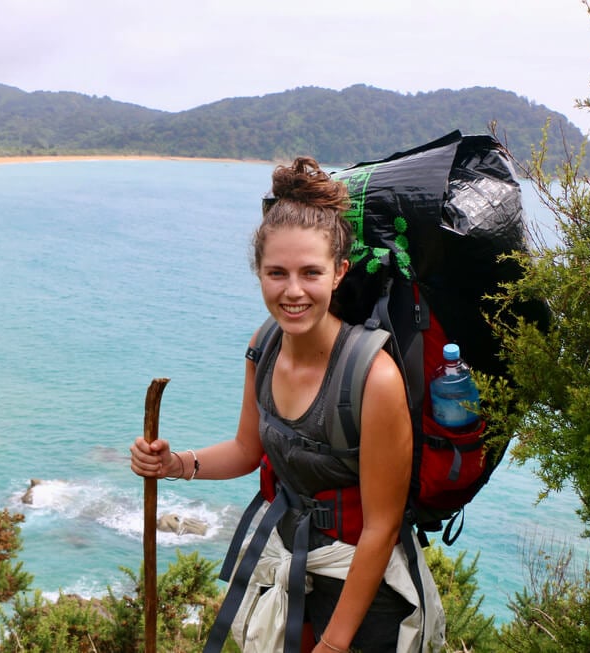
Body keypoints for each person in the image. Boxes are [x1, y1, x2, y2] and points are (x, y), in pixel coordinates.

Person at [130, 157, 443, 653]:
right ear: (258, 272)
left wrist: (336, 643)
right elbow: (246, 448)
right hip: (291, 563)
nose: (292, 291)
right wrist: (175, 464)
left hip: (365, 591)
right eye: (277, 273)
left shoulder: (373, 377)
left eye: (310, 272)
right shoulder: (265, 344)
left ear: (339, 273)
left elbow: (381, 529)